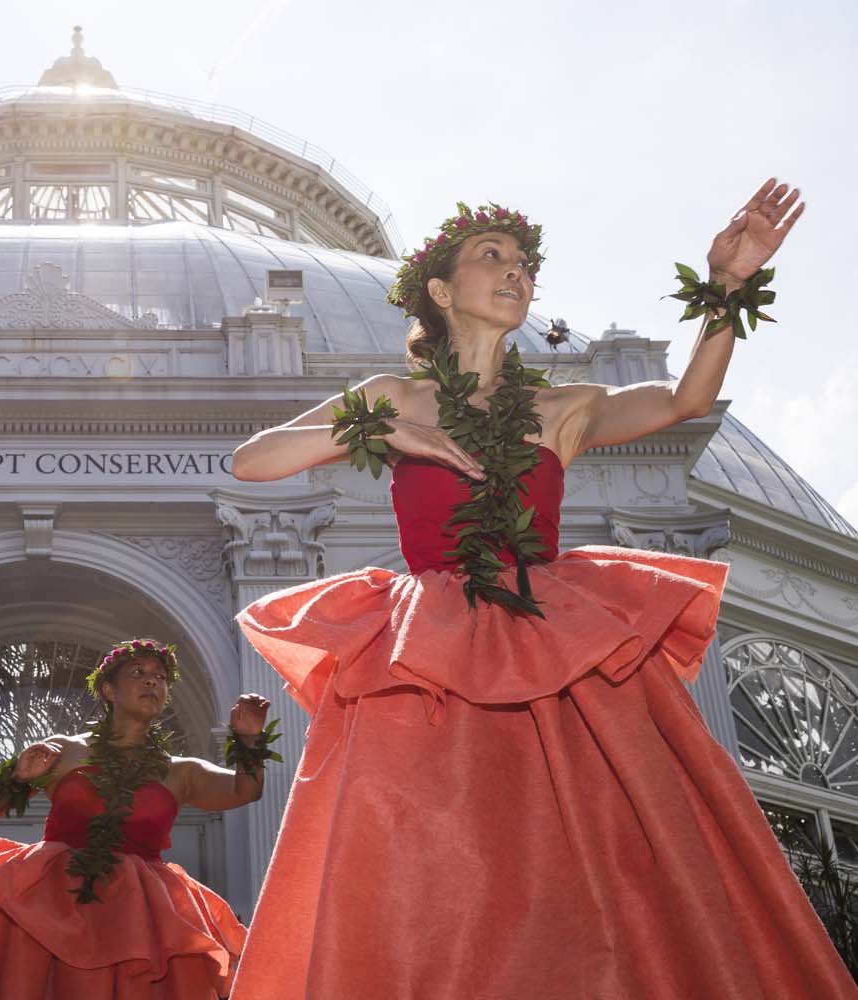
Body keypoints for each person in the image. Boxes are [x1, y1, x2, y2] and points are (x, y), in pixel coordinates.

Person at [227, 181, 858, 998]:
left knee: (606, 866)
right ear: (444, 292)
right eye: (492, 256)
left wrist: (728, 288)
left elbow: (686, 400)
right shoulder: (394, 396)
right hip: (429, 659)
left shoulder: (563, 407)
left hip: (561, 651)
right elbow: (254, 460)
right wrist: (387, 430)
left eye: (525, 262)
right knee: (430, 868)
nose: (516, 271)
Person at [0, 639, 274, 999]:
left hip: (138, 915)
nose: (152, 681)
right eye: (138, 673)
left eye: (160, 677)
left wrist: (249, 742)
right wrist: (17, 776)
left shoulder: (180, 772)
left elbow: (243, 791)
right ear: (109, 689)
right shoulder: (65, 750)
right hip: (49, 905)